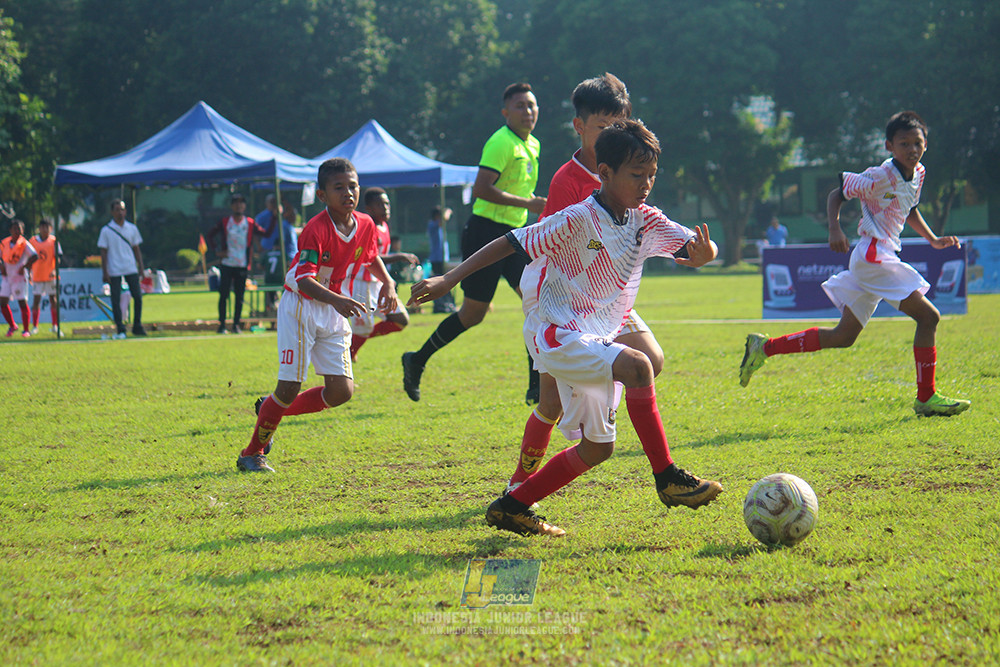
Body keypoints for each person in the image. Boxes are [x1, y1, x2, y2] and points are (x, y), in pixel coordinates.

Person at [408, 119, 724, 536]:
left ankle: (512, 506)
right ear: (605, 173)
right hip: (559, 333)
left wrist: (705, 254)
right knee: (639, 366)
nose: (646, 184)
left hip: (597, 334)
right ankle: (667, 477)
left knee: (598, 448)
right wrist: (448, 279)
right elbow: (510, 242)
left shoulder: (645, 220)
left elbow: (697, 245)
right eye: (636, 175)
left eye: (651, 175)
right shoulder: (577, 219)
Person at [739, 111, 970, 417]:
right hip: (874, 256)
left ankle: (764, 348)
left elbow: (909, 207)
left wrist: (933, 239)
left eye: (917, 143)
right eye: (904, 143)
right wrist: (834, 228)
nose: (912, 149)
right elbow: (838, 192)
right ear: (889, 146)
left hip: (878, 257)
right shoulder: (879, 176)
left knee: (843, 337)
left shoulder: (919, 173)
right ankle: (926, 397)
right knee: (929, 318)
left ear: (925, 144)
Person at [506, 72, 659, 498]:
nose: (610, 133)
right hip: (560, 293)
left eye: (618, 124)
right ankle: (519, 482)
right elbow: (558, 249)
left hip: (602, 292)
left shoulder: (629, 171)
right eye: (601, 126)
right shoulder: (567, 181)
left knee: (651, 360)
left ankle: (597, 417)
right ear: (580, 126)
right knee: (550, 402)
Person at [238, 158, 397, 473]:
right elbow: (304, 279)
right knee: (288, 388)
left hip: (332, 305)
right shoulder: (315, 228)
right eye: (338, 188)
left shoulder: (364, 224)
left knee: (340, 392)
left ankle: (269, 413)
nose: (348, 193)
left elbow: (371, 256)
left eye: (352, 186)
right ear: (322, 195)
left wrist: (389, 283)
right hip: (301, 304)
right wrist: (337, 299)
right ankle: (251, 453)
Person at [402, 82, 546, 402]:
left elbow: (518, 193)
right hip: (487, 232)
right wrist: (528, 204)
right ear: (505, 112)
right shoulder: (501, 142)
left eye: (532, 105)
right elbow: (481, 188)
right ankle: (417, 359)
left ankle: (536, 385)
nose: (528, 111)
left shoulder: (533, 144)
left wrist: (531, 204)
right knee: (472, 314)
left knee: (537, 301)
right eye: (520, 105)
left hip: (516, 237)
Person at [347, 187, 418, 361]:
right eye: (380, 204)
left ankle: (352, 346)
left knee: (401, 320)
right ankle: (349, 353)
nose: (386, 208)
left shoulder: (384, 226)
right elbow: (370, 257)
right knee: (362, 328)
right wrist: (399, 256)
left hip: (378, 284)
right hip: (361, 284)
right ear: (369, 208)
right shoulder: (365, 227)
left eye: (387, 203)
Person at [207, 193, 267, 334]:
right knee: (224, 295)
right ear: (232, 205)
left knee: (239, 297)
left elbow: (265, 233)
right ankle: (221, 325)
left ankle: (236, 325)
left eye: (241, 203)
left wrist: (275, 216)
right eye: (236, 203)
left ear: (244, 206)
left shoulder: (250, 223)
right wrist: (217, 251)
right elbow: (210, 235)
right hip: (227, 264)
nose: (239, 205)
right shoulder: (225, 221)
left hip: (242, 265)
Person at [97, 199, 146, 338]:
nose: (120, 212)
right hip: (114, 269)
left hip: (130, 267)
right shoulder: (106, 230)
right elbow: (103, 252)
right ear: (112, 212)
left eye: (122, 209)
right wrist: (105, 271)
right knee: (116, 299)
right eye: (117, 209)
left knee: (138, 296)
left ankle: (137, 325)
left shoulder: (132, 228)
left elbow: (137, 249)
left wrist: (141, 267)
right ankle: (120, 327)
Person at [1, 219, 38, 337]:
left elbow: (34, 256)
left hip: (19, 277)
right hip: (7, 277)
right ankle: (12, 325)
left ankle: (26, 329)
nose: (17, 231)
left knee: (22, 302)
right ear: (10, 230)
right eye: (15, 228)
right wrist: (1, 266)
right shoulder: (4, 243)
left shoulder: (24, 243)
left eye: (20, 229)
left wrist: (25, 267)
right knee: (2, 302)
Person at [29, 219, 63, 336]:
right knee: (36, 300)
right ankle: (35, 326)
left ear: (51, 228)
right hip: (37, 275)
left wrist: (54, 269)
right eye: (42, 227)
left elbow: (58, 257)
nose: (45, 229)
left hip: (50, 275)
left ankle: (55, 325)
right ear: (39, 228)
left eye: (47, 227)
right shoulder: (33, 241)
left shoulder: (54, 241)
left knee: (53, 299)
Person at [426, 205, 457, 313]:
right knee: (442, 281)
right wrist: (447, 212)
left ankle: (447, 303)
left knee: (447, 281)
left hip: (442, 258)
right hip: (437, 258)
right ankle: (442, 304)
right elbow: (443, 220)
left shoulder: (438, 226)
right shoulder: (432, 224)